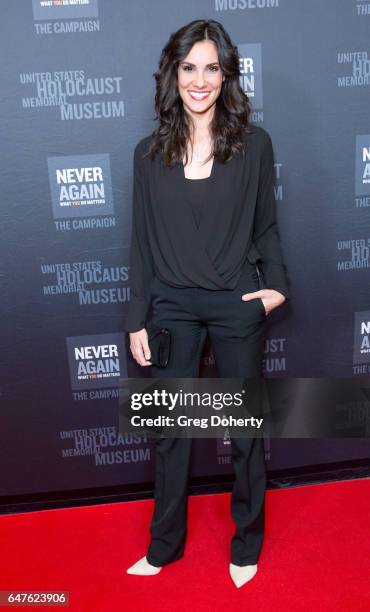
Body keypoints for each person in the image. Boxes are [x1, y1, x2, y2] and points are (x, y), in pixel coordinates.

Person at [125, 19, 290, 588]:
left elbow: (267, 227)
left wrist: (276, 287)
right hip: (170, 305)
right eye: (189, 67)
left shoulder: (254, 145)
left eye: (212, 68)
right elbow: (141, 245)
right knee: (172, 432)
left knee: (244, 431)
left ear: (227, 75)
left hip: (234, 302)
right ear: (174, 73)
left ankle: (247, 543)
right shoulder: (148, 155)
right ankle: (164, 546)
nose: (200, 80)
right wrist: (136, 318)